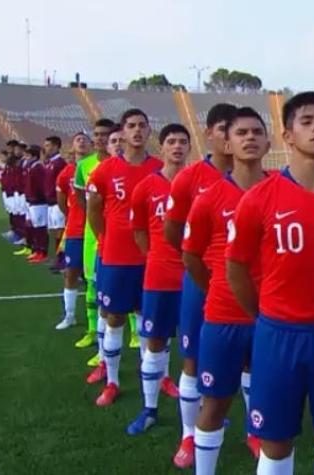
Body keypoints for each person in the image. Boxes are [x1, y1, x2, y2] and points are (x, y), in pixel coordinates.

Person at [227, 92, 314, 475]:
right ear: (287, 136)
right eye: (306, 121)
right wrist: (264, 315)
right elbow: (236, 269)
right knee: (275, 442)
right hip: (277, 336)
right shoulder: (258, 199)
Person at [182, 107, 270, 473]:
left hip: (271, 319)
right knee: (215, 404)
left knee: (269, 405)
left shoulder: (282, 193)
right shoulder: (209, 197)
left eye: (257, 132)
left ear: (268, 143)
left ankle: (255, 436)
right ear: (227, 144)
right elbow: (191, 256)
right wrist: (219, 288)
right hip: (223, 318)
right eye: (241, 133)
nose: (250, 138)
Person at [163, 103, 237, 468]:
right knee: (192, 360)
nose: (230, 137)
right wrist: (201, 268)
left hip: (246, 286)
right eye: (223, 129)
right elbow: (173, 231)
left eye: (236, 129)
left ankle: (256, 433)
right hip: (201, 280)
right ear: (209, 133)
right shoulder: (189, 179)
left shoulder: (261, 181)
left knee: (252, 361)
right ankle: (188, 435)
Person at [87, 109, 162, 406]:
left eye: (143, 125)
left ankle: (152, 381)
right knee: (115, 318)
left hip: (151, 257)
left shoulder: (159, 168)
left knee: (147, 318)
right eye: (132, 126)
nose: (138, 130)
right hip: (116, 256)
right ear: (123, 131)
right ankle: (113, 382)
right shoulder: (105, 170)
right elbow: (94, 210)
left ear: (149, 131)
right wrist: (106, 240)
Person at [126, 123, 192, 435]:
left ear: (189, 147)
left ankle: (199, 413)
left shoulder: (201, 185)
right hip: (160, 276)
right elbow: (139, 231)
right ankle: (149, 409)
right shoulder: (146, 187)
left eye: (182, 141)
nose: (177, 146)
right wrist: (157, 257)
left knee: (195, 350)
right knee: (155, 342)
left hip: (194, 279)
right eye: (171, 141)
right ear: (161, 147)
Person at [73, 118, 116, 360]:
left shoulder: (121, 164)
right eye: (97, 134)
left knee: (126, 284)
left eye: (105, 134)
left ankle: (132, 332)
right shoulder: (84, 166)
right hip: (94, 233)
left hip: (119, 233)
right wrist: (95, 217)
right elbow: (80, 198)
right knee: (92, 283)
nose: (100, 138)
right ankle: (92, 330)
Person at [53, 132, 92, 330]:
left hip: (97, 231)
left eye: (86, 139)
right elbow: (62, 202)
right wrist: (74, 216)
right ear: (72, 145)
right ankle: (69, 316)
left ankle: (102, 319)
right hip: (76, 230)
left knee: (96, 278)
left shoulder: (99, 167)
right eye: (78, 139)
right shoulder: (66, 173)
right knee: (71, 273)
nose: (82, 141)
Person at [43, 135, 67, 271]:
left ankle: (62, 260)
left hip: (58, 203)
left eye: (48, 145)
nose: (45, 148)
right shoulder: (50, 163)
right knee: (55, 231)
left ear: (56, 147)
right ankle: (58, 258)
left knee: (60, 231)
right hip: (50, 202)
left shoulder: (60, 164)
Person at [25, 145, 49, 263]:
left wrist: (36, 197)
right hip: (33, 202)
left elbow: (40, 186)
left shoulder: (38, 168)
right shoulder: (33, 167)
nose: (26, 158)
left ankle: (42, 252)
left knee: (41, 228)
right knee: (36, 227)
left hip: (39, 202)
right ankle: (37, 250)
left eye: (28, 155)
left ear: (34, 156)